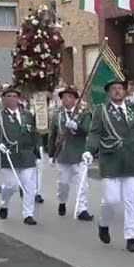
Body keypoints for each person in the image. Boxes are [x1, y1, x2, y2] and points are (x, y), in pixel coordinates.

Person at [84, 79, 134, 252]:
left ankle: (131, 236)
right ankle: (103, 223)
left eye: (120, 88)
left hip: (132, 159)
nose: (117, 91)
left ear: (125, 92)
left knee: (131, 200)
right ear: (108, 93)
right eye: (113, 89)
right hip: (111, 159)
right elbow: (94, 133)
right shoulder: (101, 111)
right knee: (111, 200)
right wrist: (89, 151)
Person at [0, 85, 42, 226]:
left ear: (19, 98)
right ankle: (4, 204)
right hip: (10, 155)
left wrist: (38, 149)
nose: (12, 99)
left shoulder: (27, 115)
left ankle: (28, 214)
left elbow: (34, 133)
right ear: (4, 98)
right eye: (8, 96)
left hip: (27, 155)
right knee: (9, 186)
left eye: (14, 96)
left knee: (29, 186)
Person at [47, 86, 92, 221]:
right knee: (63, 184)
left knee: (82, 183)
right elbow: (52, 135)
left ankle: (82, 209)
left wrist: (76, 127)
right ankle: (62, 201)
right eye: (64, 97)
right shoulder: (57, 115)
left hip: (79, 153)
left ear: (75, 99)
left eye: (70, 96)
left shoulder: (83, 113)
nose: (67, 99)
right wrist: (51, 154)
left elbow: (88, 130)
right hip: (63, 154)